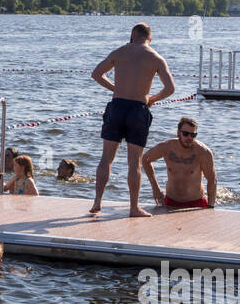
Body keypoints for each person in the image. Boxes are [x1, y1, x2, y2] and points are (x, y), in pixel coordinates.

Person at [89, 23, 176, 217]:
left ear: (133, 35)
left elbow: (96, 74)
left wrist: (116, 89)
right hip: (138, 109)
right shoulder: (156, 57)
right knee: (134, 162)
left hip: (117, 105)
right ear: (149, 38)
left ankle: (97, 201)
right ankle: (134, 207)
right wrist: (152, 98)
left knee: (106, 159)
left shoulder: (119, 52)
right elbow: (170, 89)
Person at [142, 117, 217, 210]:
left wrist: (210, 206)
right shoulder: (167, 147)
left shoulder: (203, 152)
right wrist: (155, 188)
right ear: (178, 132)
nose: (189, 138)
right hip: (170, 201)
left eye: (193, 135)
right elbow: (145, 159)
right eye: (185, 134)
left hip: (196, 202)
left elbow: (212, 179)